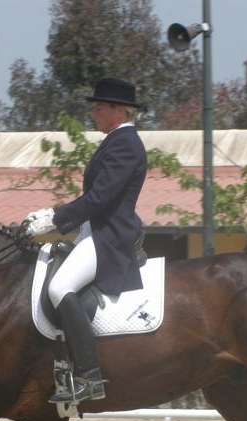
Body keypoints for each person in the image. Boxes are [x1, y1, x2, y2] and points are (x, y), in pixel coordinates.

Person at [24, 77, 147, 404]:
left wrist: (54, 218)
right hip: (94, 230)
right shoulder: (114, 141)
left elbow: (101, 199)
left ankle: (89, 377)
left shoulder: (126, 144)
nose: (94, 113)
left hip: (109, 235)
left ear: (119, 111)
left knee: (59, 287)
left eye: (100, 107)